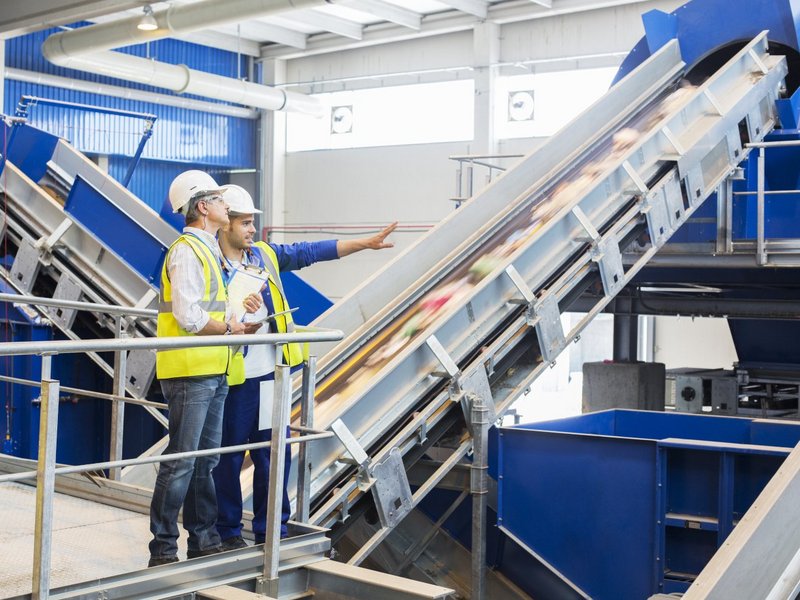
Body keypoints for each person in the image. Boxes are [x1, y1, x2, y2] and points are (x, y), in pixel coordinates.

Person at [213, 184, 397, 549]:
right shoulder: (208, 262)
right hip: (233, 378)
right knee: (227, 458)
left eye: (253, 223)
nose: (253, 230)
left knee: (272, 455)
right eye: (246, 223)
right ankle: (228, 533)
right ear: (224, 223)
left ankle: (272, 531)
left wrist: (365, 243)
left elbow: (310, 252)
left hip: (270, 375)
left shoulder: (262, 255)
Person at [148, 171, 261, 567]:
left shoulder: (209, 250)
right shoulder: (185, 251)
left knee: (205, 461)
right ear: (202, 207)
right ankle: (163, 549)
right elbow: (189, 315)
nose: (225, 206)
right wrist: (229, 326)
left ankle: (202, 539)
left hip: (213, 367)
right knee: (181, 460)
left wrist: (239, 314)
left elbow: (211, 307)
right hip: (190, 369)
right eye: (218, 200)